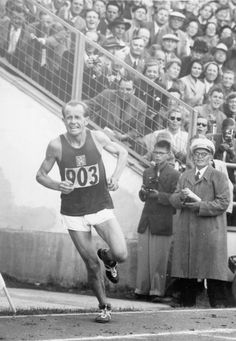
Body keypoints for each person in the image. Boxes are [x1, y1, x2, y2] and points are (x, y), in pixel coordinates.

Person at [36, 100, 128, 323]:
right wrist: (58, 185)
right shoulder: (56, 145)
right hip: (74, 211)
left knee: (121, 254)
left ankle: (109, 258)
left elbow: (122, 152)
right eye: (70, 117)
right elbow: (40, 175)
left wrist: (115, 177)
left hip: (100, 205)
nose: (74, 121)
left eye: (78, 117)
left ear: (86, 120)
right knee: (90, 263)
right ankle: (104, 306)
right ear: (64, 119)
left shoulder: (97, 138)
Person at [169, 137, 230, 308]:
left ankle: (218, 306)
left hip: (210, 230)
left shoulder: (218, 176)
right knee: (187, 267)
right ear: (192, 156)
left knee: (212, 268)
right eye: (197, 154)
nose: (200, 157)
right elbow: (173, 199)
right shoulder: (185, 176)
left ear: (211, 157)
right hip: (188, 228)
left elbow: (223, 203)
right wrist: (180, 197)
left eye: (204, 154)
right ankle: (187, 303)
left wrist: (200, 205)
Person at [135, 139, 180, 302]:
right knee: (144, 256)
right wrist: (143, 193)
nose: (158, 156)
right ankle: (141, 289)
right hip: (147, 218)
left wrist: (158, 196)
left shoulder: (175, 174)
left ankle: (156, 291)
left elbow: (177, 198)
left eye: (162, 153)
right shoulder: (147, 171)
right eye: (156, 152)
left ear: (169, 155)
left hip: (163, 220)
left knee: (159, 258)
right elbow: (144, 194)